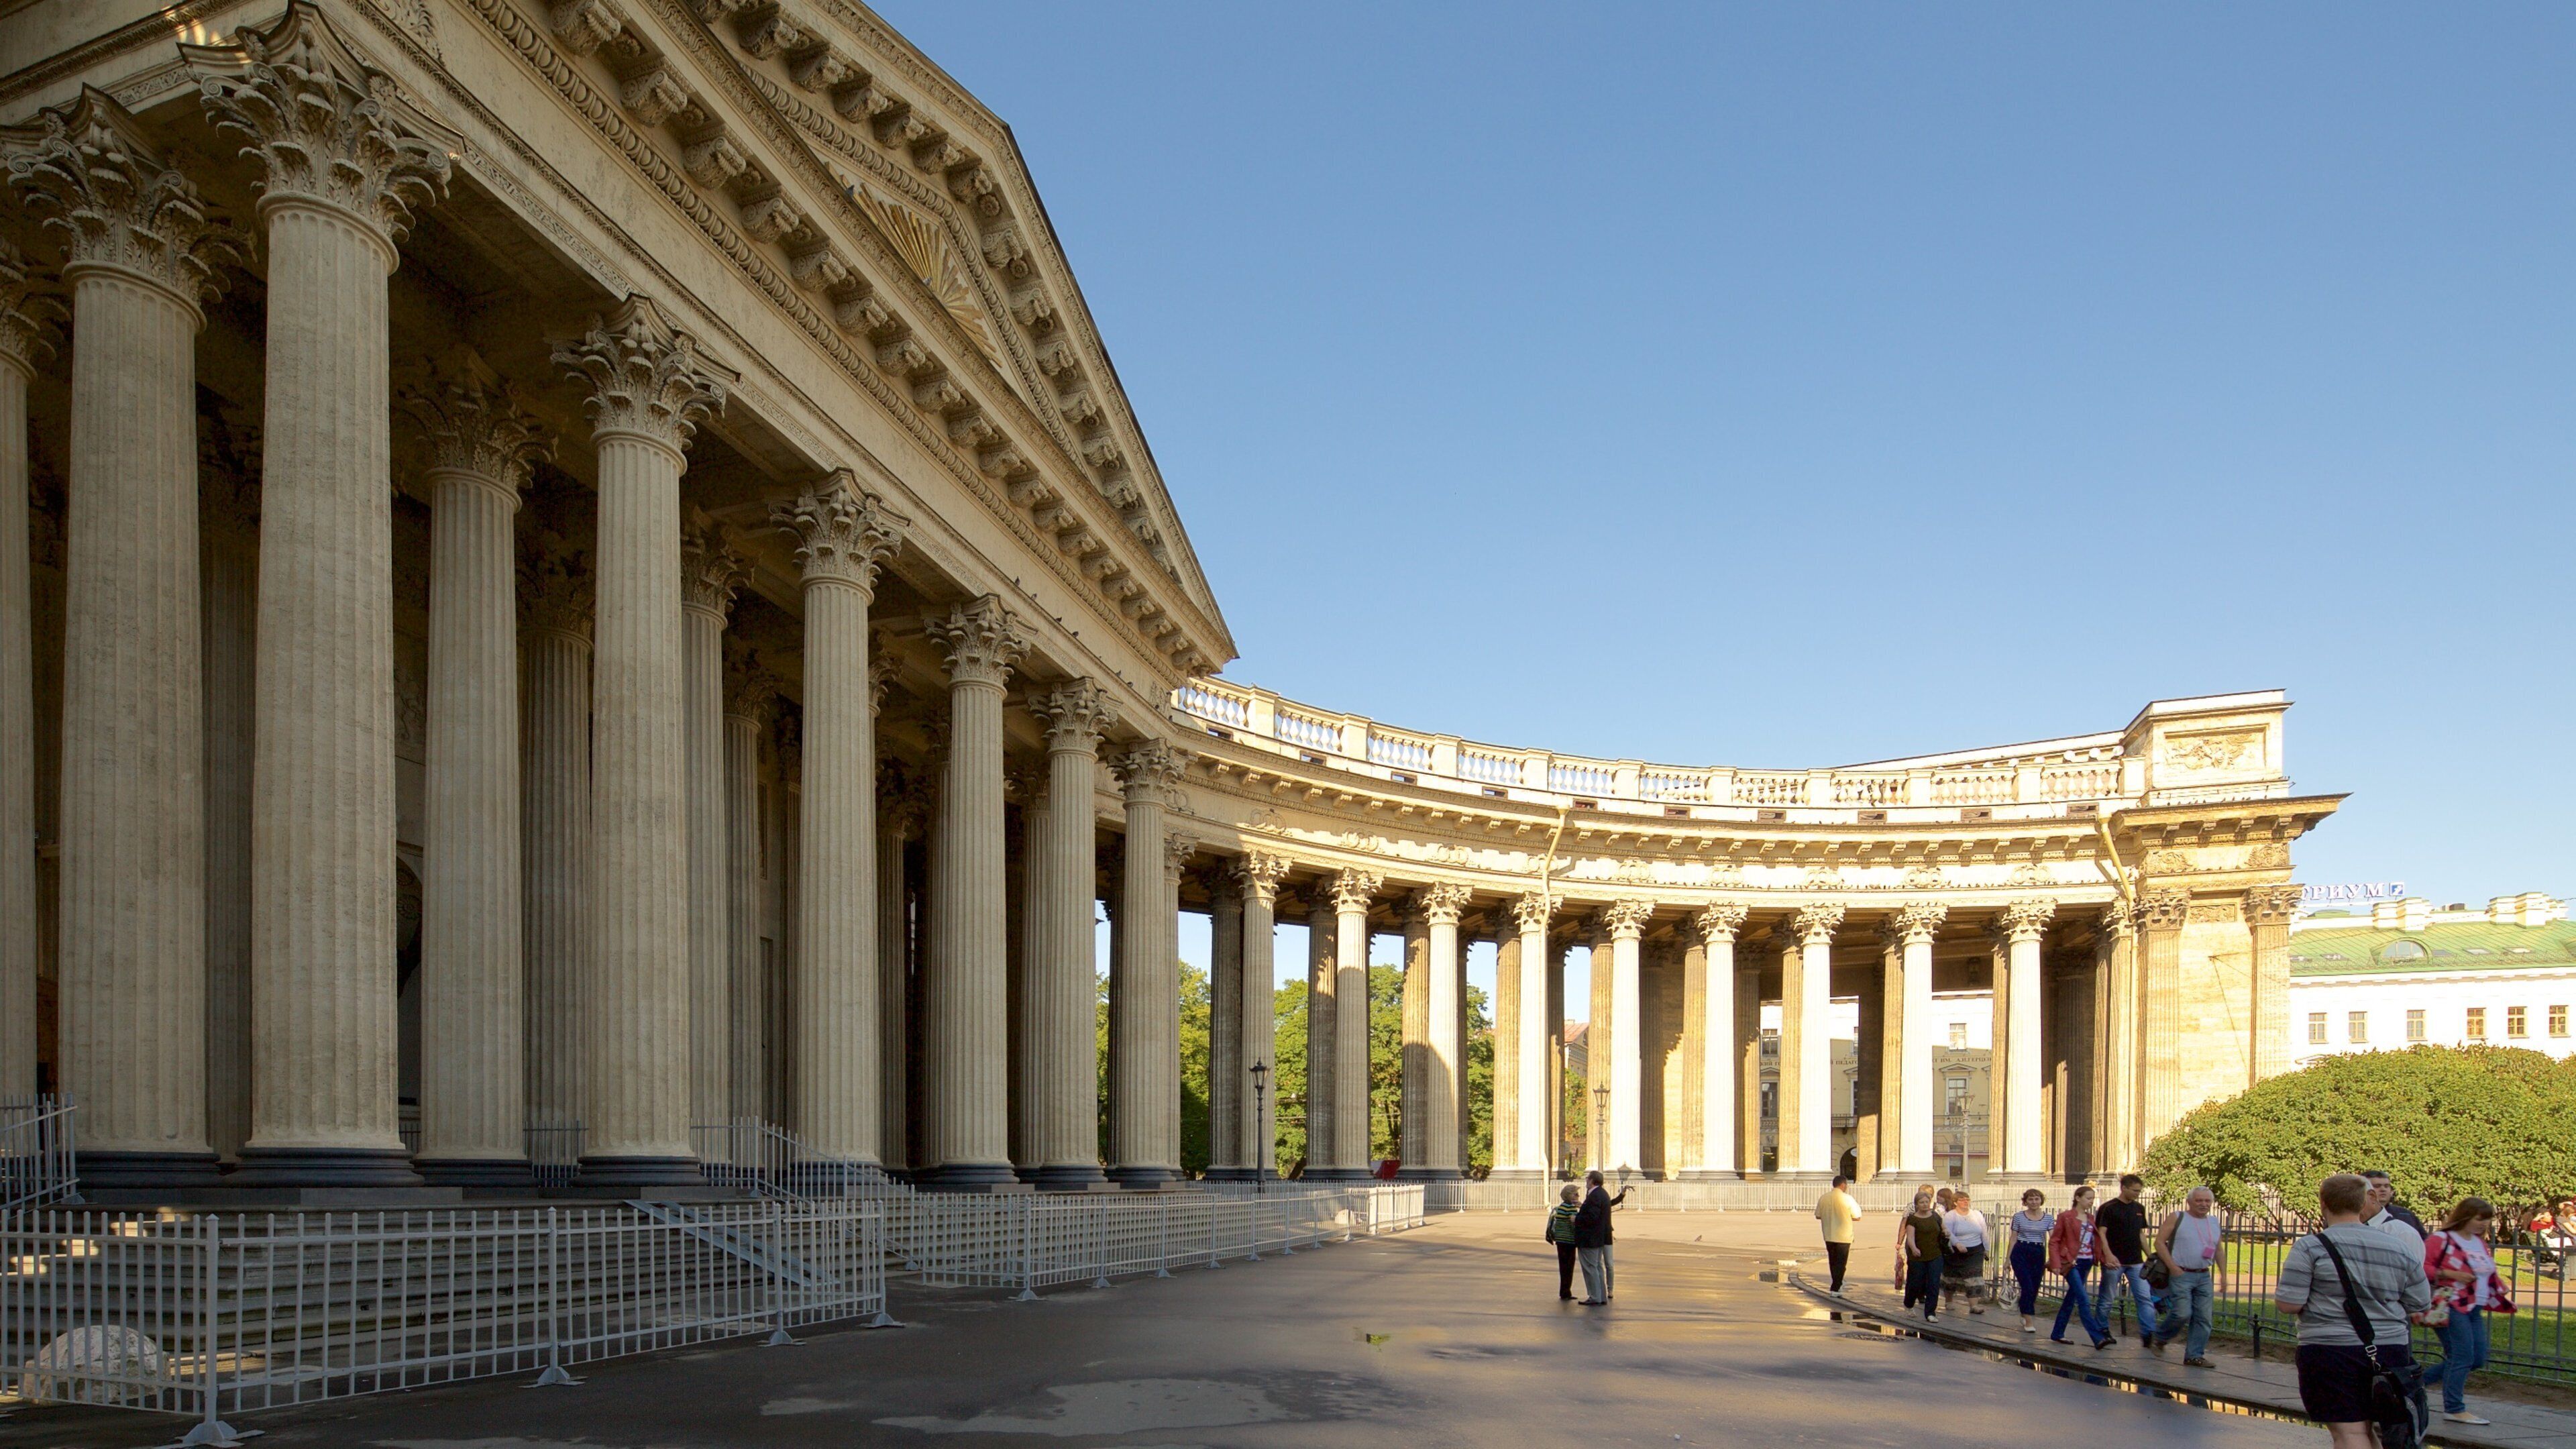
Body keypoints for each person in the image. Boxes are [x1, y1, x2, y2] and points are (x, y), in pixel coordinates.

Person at [2277, 1173, 2433, 1449]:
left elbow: (2289, 1304)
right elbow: (2420, 1303)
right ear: (2364, 1203)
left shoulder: (2310, 1247)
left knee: (2350, 1433)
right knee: (2370, 1431)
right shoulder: (2398, 1246)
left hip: (2330, 1350)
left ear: (2323, 1204)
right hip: (2390, 1350)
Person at [2424, 1195, 2516, 1426]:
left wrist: (2498, 1285)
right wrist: (2450, 1274)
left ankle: (2412, 1385)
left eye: (2488, 1219)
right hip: (2452, 1305)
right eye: (2479, 1219)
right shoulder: (2441, 1239)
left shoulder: (2478, 1242)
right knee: (2462, 1356)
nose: (2484, 1224)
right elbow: (2421, 1266)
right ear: (2465, 1217)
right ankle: (2454, 1409)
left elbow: (2486, 1271)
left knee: (2476, 1358)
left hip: (2475, 1306)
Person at [2154, 1186, 2224, 1365]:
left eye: (2207, 1201)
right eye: (2199, 1200)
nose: (2203, 1204)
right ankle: (2160, 1337)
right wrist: (2172, 1266)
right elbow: (2159, 1242)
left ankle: (2194, 1355)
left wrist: (2223, 1275)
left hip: (2203, 1275)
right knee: (2182, 1313)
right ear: (2189, 1202)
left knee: (2204, 1318)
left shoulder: (2214, 1222)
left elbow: (2218, 1250)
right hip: (2181, 1274)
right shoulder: (2178, 1217)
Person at [2045, 1184, 2116, 1348]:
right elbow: (2054, 1241)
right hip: (2071, 1262)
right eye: (2088, 1198)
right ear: (2078, 1198)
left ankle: (2057, 1333)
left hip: (2087, 1261)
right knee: (2083, 1299)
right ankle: (2097, 1337)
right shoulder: (2066, 1217)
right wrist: (2056, 1262)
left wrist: (2103, 1258)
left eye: (2093, 1199)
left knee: (2072, 1298)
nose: (2091, 1202)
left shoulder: (2091, 1218)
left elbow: (2095, 1241)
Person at [2094, 1173, 2162, 1345]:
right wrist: (2108, 1254)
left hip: (2136, 1262)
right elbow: (2101, 1233)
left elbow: (2140, 1234)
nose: (2137, 1194)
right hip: (2114, 1261)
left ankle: (2149, 1333)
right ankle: (2102, 1330)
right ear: (2124, 1188)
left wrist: (2150, 1255)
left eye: (2139, 1191)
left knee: (2145, 1297)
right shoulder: (2108, 1208)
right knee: (2107, 1298)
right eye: (2134, 1191)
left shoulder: (2139, 1208)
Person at [1572, 1169, 1629, 1305]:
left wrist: (1576, 1219)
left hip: (1590, 1238)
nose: (1586, 1181)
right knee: (1597, 1267)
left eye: (1587, 1179)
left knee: (1590, 1268)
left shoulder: (1595, 1196)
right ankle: (1601, 1296)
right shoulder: (1602, 1193)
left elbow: (1592, 1217)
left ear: (1592, 1181)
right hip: (1598, 1237)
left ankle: (1594, 1296)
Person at [2007, 1188, 2054, 1333]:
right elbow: (2013, 1238)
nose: (2034, 1202)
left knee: (2034, 1286)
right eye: (2031, 1199)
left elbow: (2053, 1239)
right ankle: (2029, 1320)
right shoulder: (2019, 1217)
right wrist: (2007, 1259)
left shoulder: (2048, 1218)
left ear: (2041, 1201)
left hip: (2038, 1251)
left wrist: (2053, 1257)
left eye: (2037, 1199)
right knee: (2026, 1285)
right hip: (2021, 1251)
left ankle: (2024, 1310)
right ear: (2026, 1201)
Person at [1900, 1189, 1946, 1322]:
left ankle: (1930, 1313)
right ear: (1917, 1205)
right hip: (1918, 1256)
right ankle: (1909, 1304)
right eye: (1922, 1202)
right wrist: (1914, 1248)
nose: (1925, 1205)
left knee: (1934, 1283)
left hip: (1935, 1254)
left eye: (1927, 1202)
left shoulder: (1935, 1216)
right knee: (1916, 1283)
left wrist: (1948, 1234)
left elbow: (1944, 1229)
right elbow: (1910, 1237)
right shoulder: (1913, 1219)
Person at [1941, 1189, 1990, 1314]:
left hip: (1975, 1250)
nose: (1965, 1202)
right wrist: (1957, 1243)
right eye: (1962, 1200)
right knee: (1951, 1277)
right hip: (1955, 1251)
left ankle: (1974, 1306)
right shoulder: (1951, 1216)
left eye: (1967, 1200)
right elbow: (1948, 1232)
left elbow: (1984, 1231)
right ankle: (1949, 1301)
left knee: (1974, 1277)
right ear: (1955, 1202)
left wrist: (1986, 1248)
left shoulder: (1976, 1214)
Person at [1815, 1175, 1861, 1295]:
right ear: (1843, 1185)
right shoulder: (1848, 1199)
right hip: (1843, 1235)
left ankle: (1838, 1282)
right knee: (1841, 1263)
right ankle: (1835, 1288)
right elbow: (1857, 1216)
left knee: (1833, 1261)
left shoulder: (1824, 1198)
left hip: (1829, 1234)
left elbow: (1818, 1215)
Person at [2363, 1171, 2427, 1254]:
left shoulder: (2406, 1215)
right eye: (2377, 1186)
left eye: (2386, 1186)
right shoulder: (2354, 1215)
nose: (2383, 1189)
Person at [1544, 1183, 1582, 1301]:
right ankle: (1566, 1292)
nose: (1578, 1196)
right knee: (1569, 1268)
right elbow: (1575, 1223)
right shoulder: (1570, 1208)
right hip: (1569, 1241)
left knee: (1563, 1267)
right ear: (1570, 1195)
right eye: (1576, 1194)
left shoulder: (1561, 1207)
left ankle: (1564, 1291)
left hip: (1560, 1241)